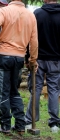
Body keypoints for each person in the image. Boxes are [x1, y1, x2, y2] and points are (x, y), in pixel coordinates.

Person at [0, 0, 38, 135]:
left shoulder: (4, 11)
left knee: (3, 92)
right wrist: (32, 60)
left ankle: (5, 126)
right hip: (19, 58)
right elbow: (34, 41)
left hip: (3, 55)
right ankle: (20, 125)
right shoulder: (30, 15)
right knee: (14, 92)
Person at [25, 0, 60, 133]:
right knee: (54, 91)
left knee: (36, 89)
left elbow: (30, 37)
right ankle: (54, 123)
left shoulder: (38, 14)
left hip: (38, 58)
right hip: (56, 60)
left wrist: (28, 57)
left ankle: (29, 121)